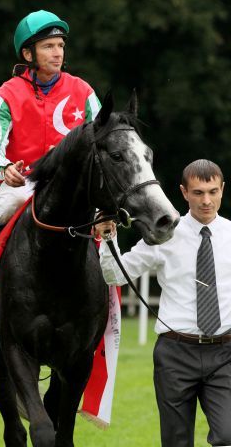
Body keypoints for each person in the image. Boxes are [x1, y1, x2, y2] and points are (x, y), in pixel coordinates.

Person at [95, 159, 231, 447]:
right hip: (175, 353)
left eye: (212, 191)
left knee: (228, 435)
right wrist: (109, 238)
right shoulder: (164, 234)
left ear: (222, 190)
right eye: (198, 193)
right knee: (175, 441)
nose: (206, 201)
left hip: (226, 352)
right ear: (183, 192)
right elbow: (115, 275)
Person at [0, 9, 101, 278]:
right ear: (28, 54)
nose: (58, 52)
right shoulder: (4, 95)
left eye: (60, 45)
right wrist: (5, 170)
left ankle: (111, 287)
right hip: (24, 183)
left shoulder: (84, 92)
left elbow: (100, 143)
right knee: (5, 203)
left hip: (74, 184)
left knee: (106, 222)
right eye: (48, 46)